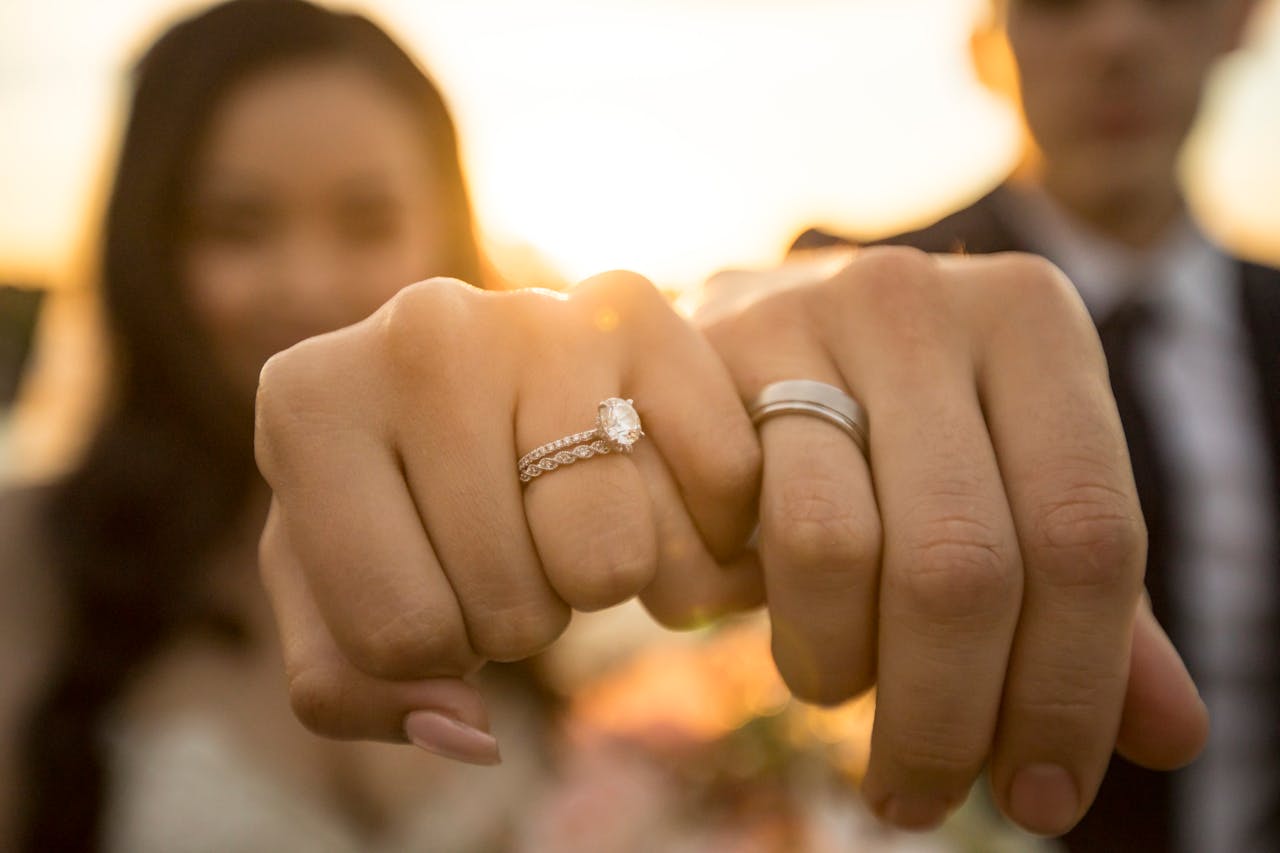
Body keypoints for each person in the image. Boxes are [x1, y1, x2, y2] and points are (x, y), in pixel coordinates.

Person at [0, 2, 557, 851]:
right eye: (238, 227)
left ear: (445, 233)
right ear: (152, 249)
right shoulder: (27, 555)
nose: (307, 285)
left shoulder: (544, 525)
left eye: (367, 222)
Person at [794, 1, 1279, 850]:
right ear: (988, 46)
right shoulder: (860, 298)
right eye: (1057, 1)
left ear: (1242, 20)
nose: (1117, 39)